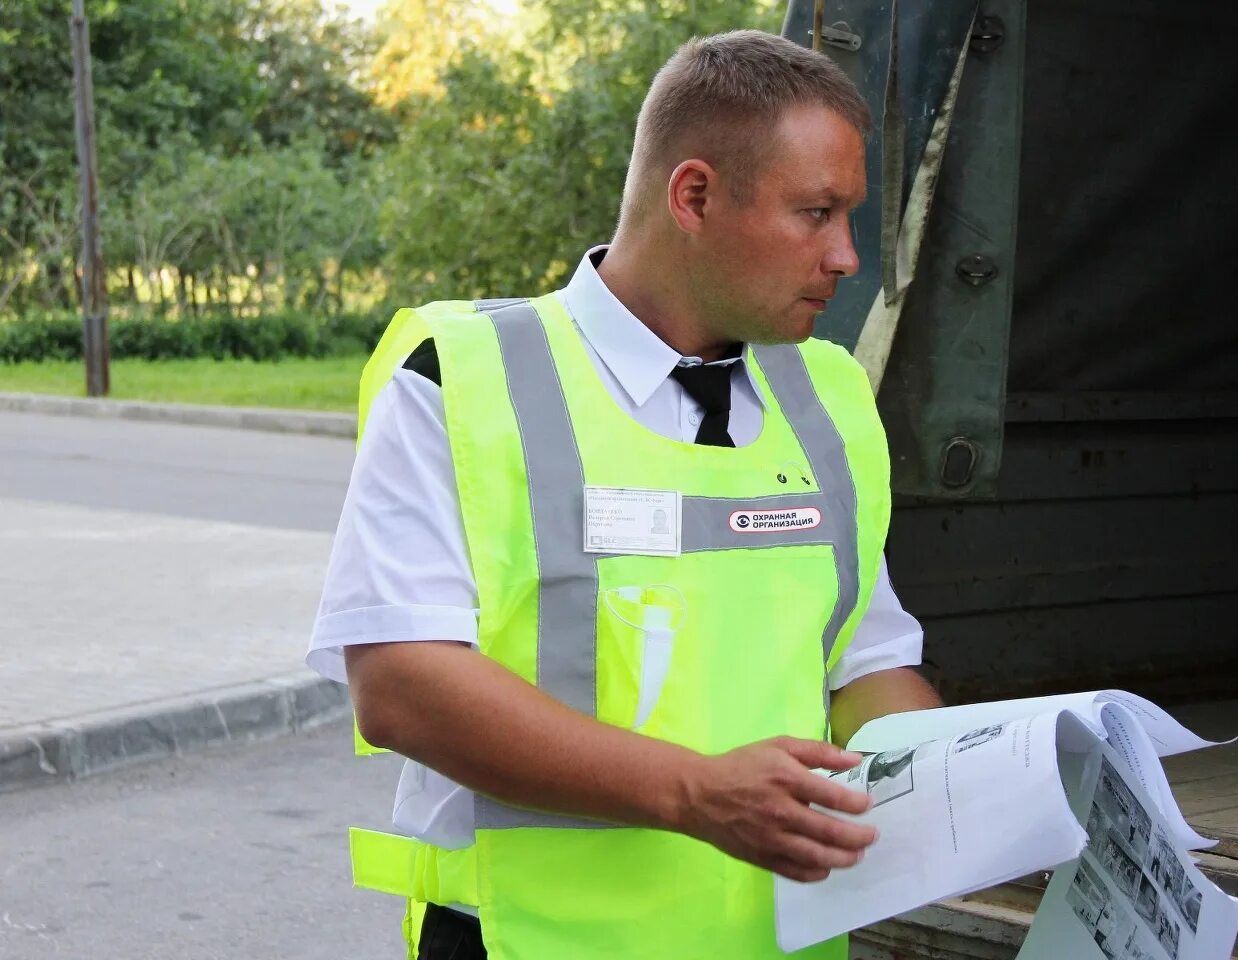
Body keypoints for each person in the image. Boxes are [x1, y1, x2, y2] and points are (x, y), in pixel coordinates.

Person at [306, 29, 942, 960]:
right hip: (533, 942)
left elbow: (863, 665)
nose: (846, 256)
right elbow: (402, 684)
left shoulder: (834, 398)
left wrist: (992, 788)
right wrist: (693, 791)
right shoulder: (461, 377)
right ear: (693, 195)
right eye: (815, 212)